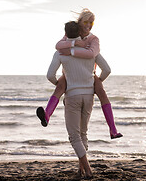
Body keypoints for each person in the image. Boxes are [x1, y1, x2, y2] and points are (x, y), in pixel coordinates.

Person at [36, 8, 122, 139]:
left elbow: (92, 54)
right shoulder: (70, 35)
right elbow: (58, 45)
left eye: (91, 23)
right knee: (60, 87)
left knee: (102, 93)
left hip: (90, 74)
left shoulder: (93, 39)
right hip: (70, 73)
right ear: (80, 22)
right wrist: (75, 43)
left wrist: (96, 79)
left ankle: (113, 130)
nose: (89, 25)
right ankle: (46, 116)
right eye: (86, 22)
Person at [45, 21, 111, 178]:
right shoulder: (90, 50)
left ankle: (88, 170)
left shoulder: (61, 52)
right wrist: (97, 81)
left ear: (65, 34)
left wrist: (61, 85)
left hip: (73, 96)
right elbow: (107, 70)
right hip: (89, 96)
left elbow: (50, 75)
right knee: (82, 133)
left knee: (74, 136)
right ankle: (81, 169)